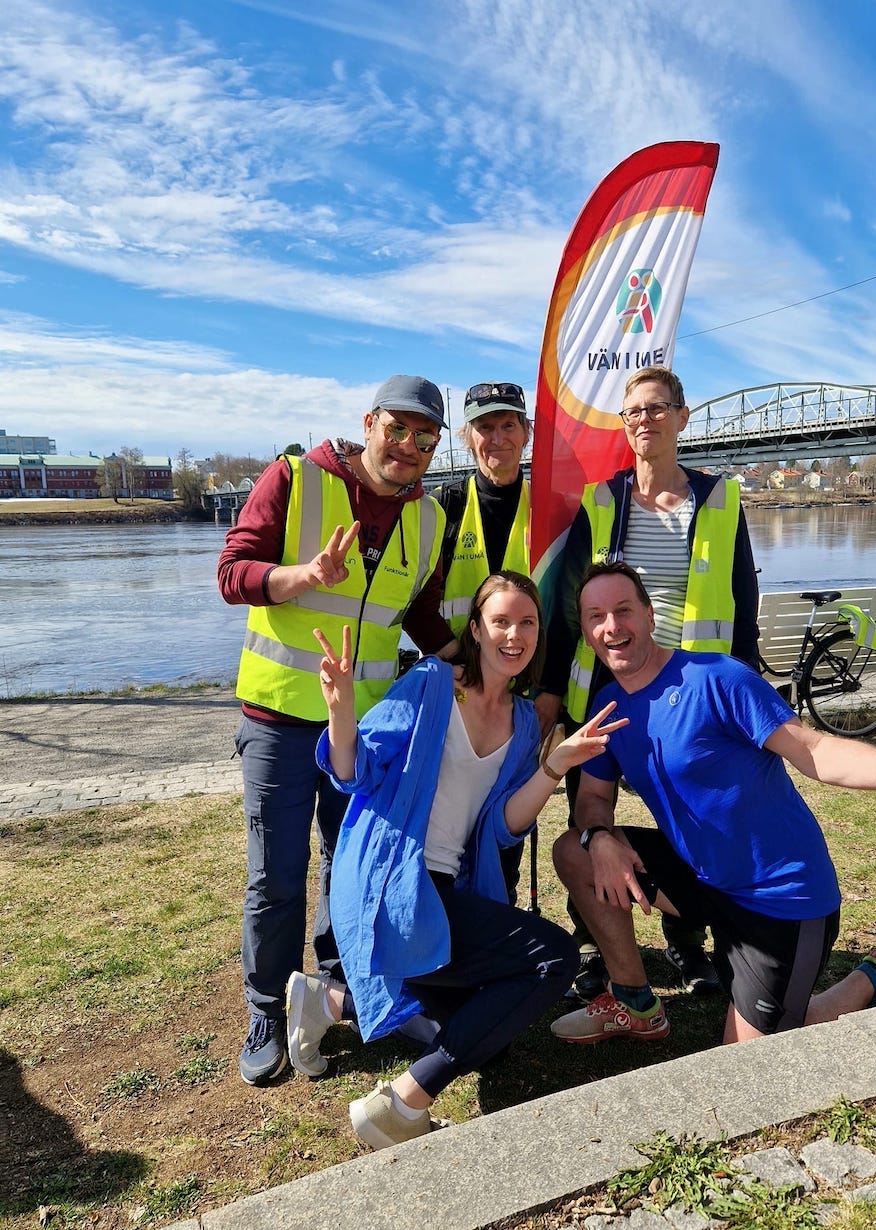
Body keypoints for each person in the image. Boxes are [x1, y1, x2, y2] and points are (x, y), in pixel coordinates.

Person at [549, 562, 876, 1047]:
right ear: (588, 634)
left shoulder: (715, 678)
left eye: (623, 610)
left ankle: (874, 977)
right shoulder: (610, 707)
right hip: (703, 882)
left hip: (781, 901)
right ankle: (636, 1004)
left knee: (745, 1060)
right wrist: (599, 837)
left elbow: (813, 750)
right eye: (596, 616)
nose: (612, 626)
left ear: (651, 615)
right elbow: (594, 797)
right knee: (573, 849)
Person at [282, 572, 624, 1150]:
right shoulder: (431, 684)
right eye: (501, 621)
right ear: (476, 628)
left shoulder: (520, 723)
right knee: (553, 958)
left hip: (445, 889)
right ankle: (401, 1104)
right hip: (393, 882)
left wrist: (553, 766)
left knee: (493, 1035)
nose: (514, 635)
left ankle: (329, 1000)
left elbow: (501, 827)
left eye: (527, 623)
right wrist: (341, 710)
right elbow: (354, 772)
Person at [217, 374, 459, 1085]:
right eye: (398, 429)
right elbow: (233, 572)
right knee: (276, 874)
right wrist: (301, 575)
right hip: (280, 718)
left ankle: (334, 989)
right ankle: (266, 1005)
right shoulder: (293, 478)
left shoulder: (429, 519)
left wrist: (479, 661)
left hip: (365, 728)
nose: (409, 447)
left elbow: (415, 615)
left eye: (425, 437)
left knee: (351, 865)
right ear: (369, 423)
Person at [535, 366, 760, 997]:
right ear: (624, 424)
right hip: (605, 693)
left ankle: (691, 946)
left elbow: (743, 603)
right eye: (634, 411)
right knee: (590, 820)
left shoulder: (719, 500)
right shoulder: (602, 501)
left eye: (658, 408)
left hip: (695, 696)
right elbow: (566, 605)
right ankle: (595, 943)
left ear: (682, 417)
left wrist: (744, 687)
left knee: (696, 818)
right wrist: (553, 690)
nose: (645, 420)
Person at [432, 381, 532, 900]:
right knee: (448, 821)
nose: (497, 438)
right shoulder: (443, 506)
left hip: (521, 700)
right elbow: (414, 598)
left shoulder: (553, 508)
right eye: (485, 427)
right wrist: (451, 656)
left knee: (504, 827)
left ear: (526, 434)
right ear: (469, 439)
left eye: (508, 425)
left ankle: (500, 923)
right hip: (457, 696)